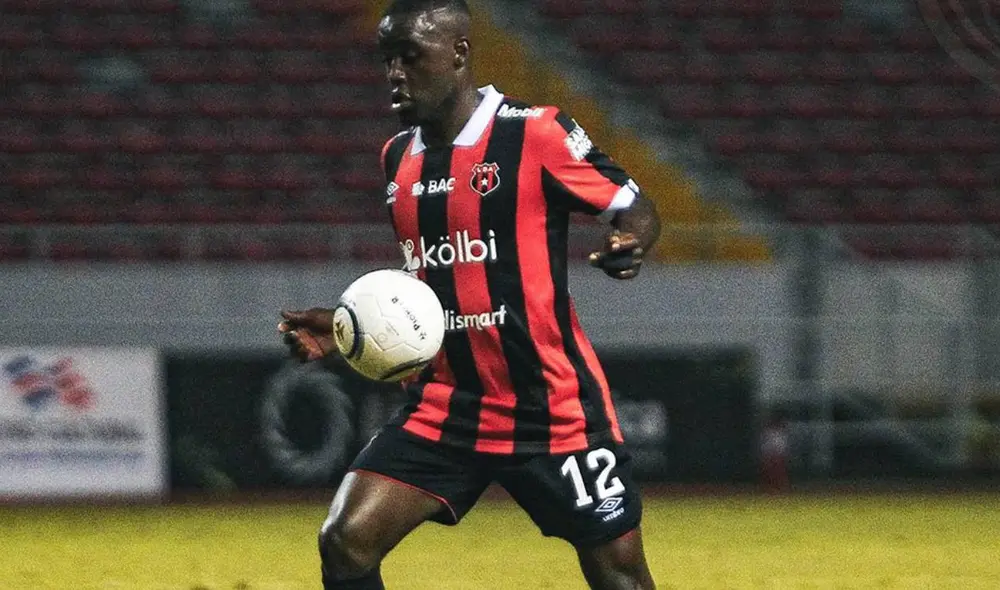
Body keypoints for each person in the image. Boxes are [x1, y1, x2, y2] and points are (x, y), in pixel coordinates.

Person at [278, 1, 661, 588]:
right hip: (445, 405)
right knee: (346, 540)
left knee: (620, 574)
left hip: (550, 409)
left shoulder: (533, 132)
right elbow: (428, 280)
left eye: (411, 57)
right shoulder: (397, 158)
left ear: (458, 54)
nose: (395, 74)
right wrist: (346, 327)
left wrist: (629, 240)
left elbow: (632, 204)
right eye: (388, 59)